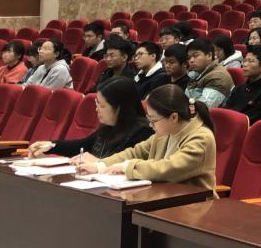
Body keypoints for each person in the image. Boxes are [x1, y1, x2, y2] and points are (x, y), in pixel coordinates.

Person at [5, 77, 153, 248]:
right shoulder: (108, 127)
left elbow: (134, 168)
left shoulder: (143, 133)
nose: (97, 109)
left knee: (56, 234)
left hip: (118, 209)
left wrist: (99, 163)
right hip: (91, 200)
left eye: (102, 105)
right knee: (39, 225)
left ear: (120, 107)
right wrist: (52, 145)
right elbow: (84, 144)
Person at [79, 83, 216, 194]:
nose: (150, 125)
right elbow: (135, 152)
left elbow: (169, 168)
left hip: (193, 206)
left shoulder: (201, 138)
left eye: (153, 120)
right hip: (163, 196)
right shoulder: (166, 131)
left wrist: (127, 167)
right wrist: (100, 166)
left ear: (174, 117)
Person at [222, 44, 261, 124]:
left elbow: (249, 121)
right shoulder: (239, 88)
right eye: (245, 60)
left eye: (250, 61)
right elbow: (224, 110)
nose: (245, 64)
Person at [183, 39, 235, 108]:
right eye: (189, 57)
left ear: (209, 55)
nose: (191, 60)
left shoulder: (218, 77)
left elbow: (204, 108)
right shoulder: (196, 72)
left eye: (195, 56)